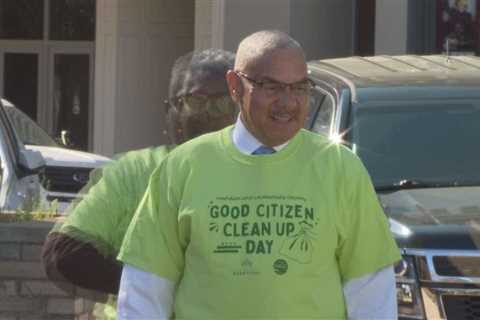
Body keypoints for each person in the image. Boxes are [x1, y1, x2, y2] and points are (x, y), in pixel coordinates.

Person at [117, 30, 401, 319]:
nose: (288, 102)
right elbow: (145, 290)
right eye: (271, 87)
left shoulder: (341, 169)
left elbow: (371, 291)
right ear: (235, 86)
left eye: (300, 87)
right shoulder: (182, 167)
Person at [41, 48, 237, 299]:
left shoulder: (265, 171)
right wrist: (153, 286)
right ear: (169, 112)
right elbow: (63, 253)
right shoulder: (132, 171)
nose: (210, 113)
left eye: (223, 101)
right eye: (195, 100)